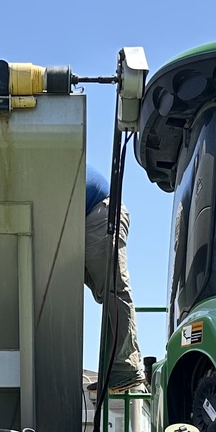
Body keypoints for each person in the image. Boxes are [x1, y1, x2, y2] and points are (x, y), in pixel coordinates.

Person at [83, 167, 145, 393]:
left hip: (100, 215)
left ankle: (126, 367)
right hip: (93, 215)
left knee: (114, 291)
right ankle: (115, 369)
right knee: (107, 295)